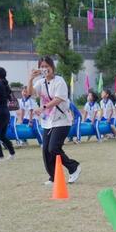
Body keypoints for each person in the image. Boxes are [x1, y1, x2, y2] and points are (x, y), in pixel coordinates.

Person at [26, 55, 81, 186]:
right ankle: (54, 176)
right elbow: (30, 92)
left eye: (47, 66)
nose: (45, 69)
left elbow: (59, 99)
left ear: (52, 67)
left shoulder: (59, 81)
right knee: (46, 150)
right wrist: (30, 78)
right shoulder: (41, 83)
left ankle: (73, 167)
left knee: (53, 148)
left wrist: (43, 107)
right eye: (42, 67)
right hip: (47, 121)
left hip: (62, 121)